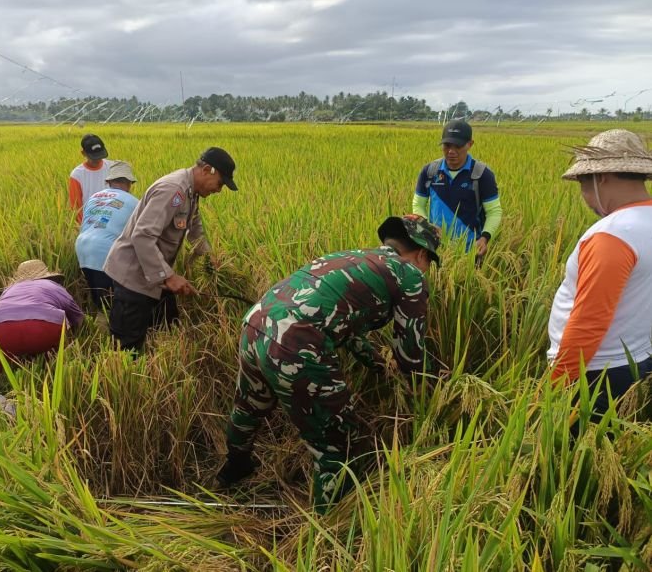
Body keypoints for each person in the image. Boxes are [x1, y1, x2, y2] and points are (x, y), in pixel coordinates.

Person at [216, 215, 441, 511]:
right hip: (296, 343)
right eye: (428, 263)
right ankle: (327, 529)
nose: (425, 271)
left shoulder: (354, 258)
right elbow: (410, 356)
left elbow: (345, 328)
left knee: (249, 406)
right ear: (422, 254)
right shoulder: (409, 275)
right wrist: (439, 385)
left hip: (256, 324)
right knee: (339, 445)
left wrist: (377, 366)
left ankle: (234, 468)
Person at [548, 129, 652, 417]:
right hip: (636, 361)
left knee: (570, 458)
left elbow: (589, 321)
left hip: (595, 375)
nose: (585, 198)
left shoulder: (614, 233)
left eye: (583, 185)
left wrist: (556, 385)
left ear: (601, 177)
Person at [103, 147, 237, 352]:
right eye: (220, 183)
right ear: (207, 170)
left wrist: (210, 259)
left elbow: (195, 228)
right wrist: (169, 277)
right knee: (127, 345)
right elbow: (143, 236)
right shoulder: (173, 190)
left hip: (155, 274)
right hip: (134, 277)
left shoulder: (191, 193)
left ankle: (158, 369)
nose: (219, 190)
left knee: (169, 326)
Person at [0, 260, 84, 379]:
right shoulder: (53, 286)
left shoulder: (9, 290)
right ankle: (49, 374)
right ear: (47, 277)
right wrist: (76, 335)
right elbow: (77, 316)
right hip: (45, 327)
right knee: (54, 360)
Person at [412, 119, 502, 260]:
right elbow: (418, 204)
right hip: (436, 249)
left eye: (458, 146)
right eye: (447, 145)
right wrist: (427, 227)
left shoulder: (481, 174)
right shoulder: (430, 171)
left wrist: (484, 238)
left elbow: (494, 211)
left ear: (470, 144)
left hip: (471, 250)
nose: (451, 152)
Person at [75, 161, 139, 311]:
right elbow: (139, 236)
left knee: (99, 299)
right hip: (106, 250)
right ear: (130, 183)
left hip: (82, 247)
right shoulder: (135, 202)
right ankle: (108, 331)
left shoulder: (94, 197)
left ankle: (98, 327)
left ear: (109, 181)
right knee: (111, 303)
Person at [69, 133, 115, 225]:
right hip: (89, 222)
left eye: (100, 155)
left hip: (111, 220)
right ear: (83, 153)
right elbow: (76, 207)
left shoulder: (112, 167)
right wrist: (82, 228)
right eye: (94, 157)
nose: (98, 160)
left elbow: (122, 196)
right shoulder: (77, 175)